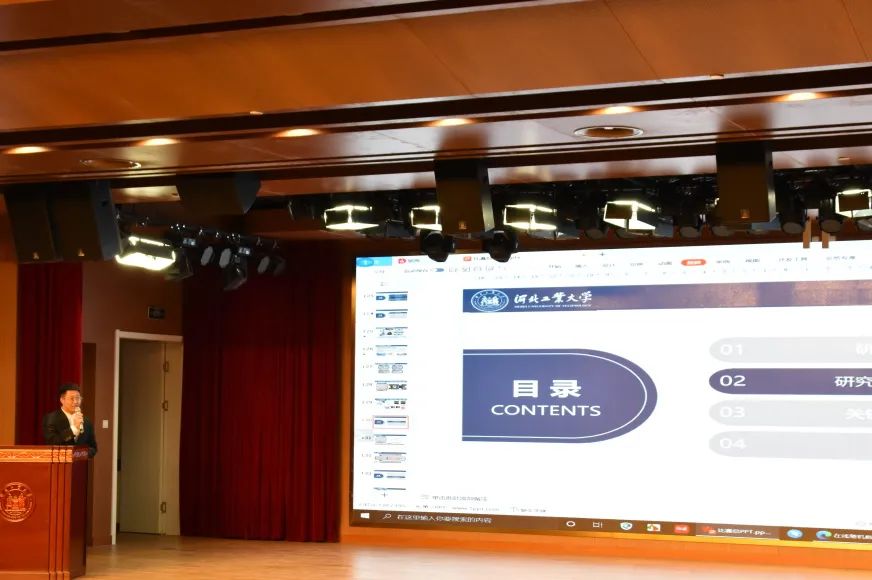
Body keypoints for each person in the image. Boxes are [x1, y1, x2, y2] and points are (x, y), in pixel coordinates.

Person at [43, 383, 97, 458]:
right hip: (59, 463)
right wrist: (74, 429)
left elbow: (93, 448)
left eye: (78, 398)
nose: (75, 402)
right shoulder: (51, 418)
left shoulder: (86, 421)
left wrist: (78, 455)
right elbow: (52, 443)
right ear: (62, 400)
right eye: (72, 398)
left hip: (80, 464)